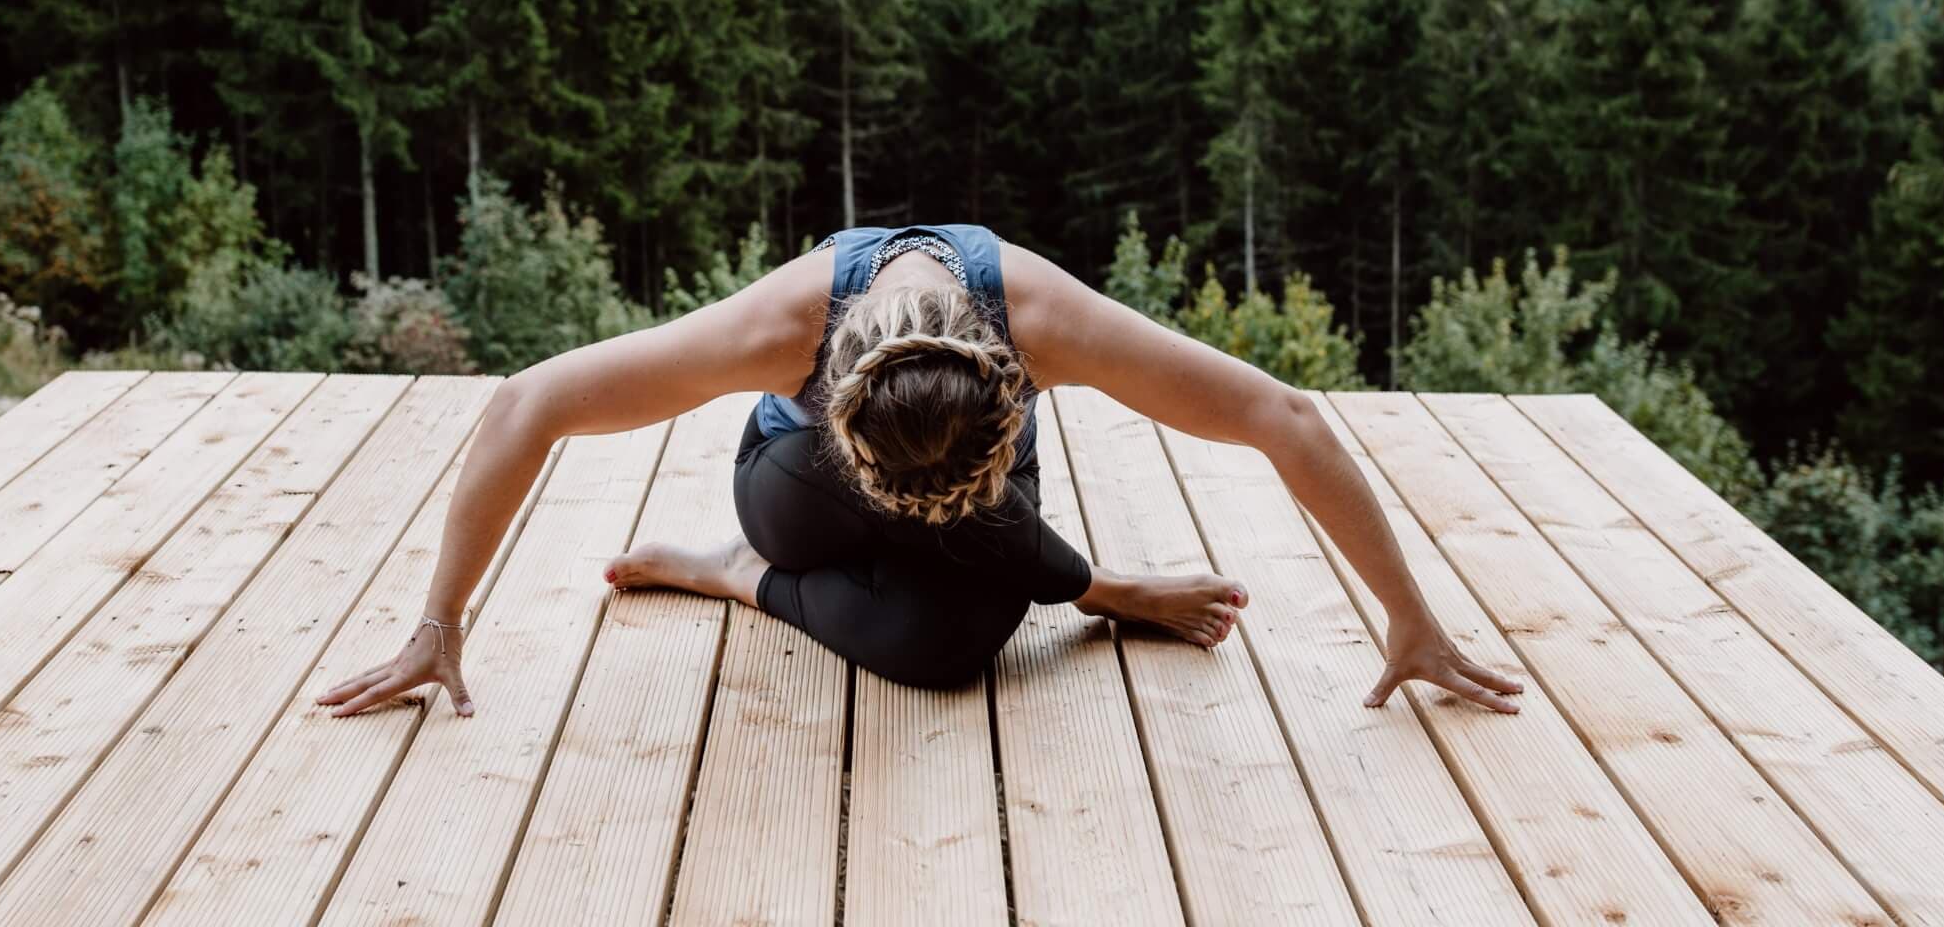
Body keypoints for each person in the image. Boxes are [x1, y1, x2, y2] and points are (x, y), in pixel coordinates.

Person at [317, 222, 1524, 716]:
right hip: (799, 495)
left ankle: (1044, 567)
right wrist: (438, 623)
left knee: (955, 651)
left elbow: (1284, 416)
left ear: (1012, 384)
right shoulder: (779, 326)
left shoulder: (1049, 321)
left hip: (979, 507)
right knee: (872, 536)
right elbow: (527, 401)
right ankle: (737, 565)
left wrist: (1408, 616)